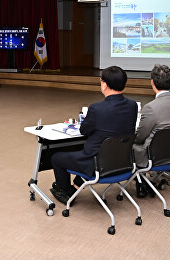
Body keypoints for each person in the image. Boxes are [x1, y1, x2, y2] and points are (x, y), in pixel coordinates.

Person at [49, 66, 138, 204]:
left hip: (97, 163)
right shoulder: (133, 105)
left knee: (56, 157)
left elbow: (84, 130)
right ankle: (74, 188)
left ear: (104, 85)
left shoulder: (97, 108)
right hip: (121, 161)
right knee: (90, 150)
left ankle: (65, 191)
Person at [133, 64, 170, 198]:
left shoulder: (151, 108)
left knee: (131, 146)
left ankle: (141, 184)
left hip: (153, 156)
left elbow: (140, 137)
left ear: (152, 82)